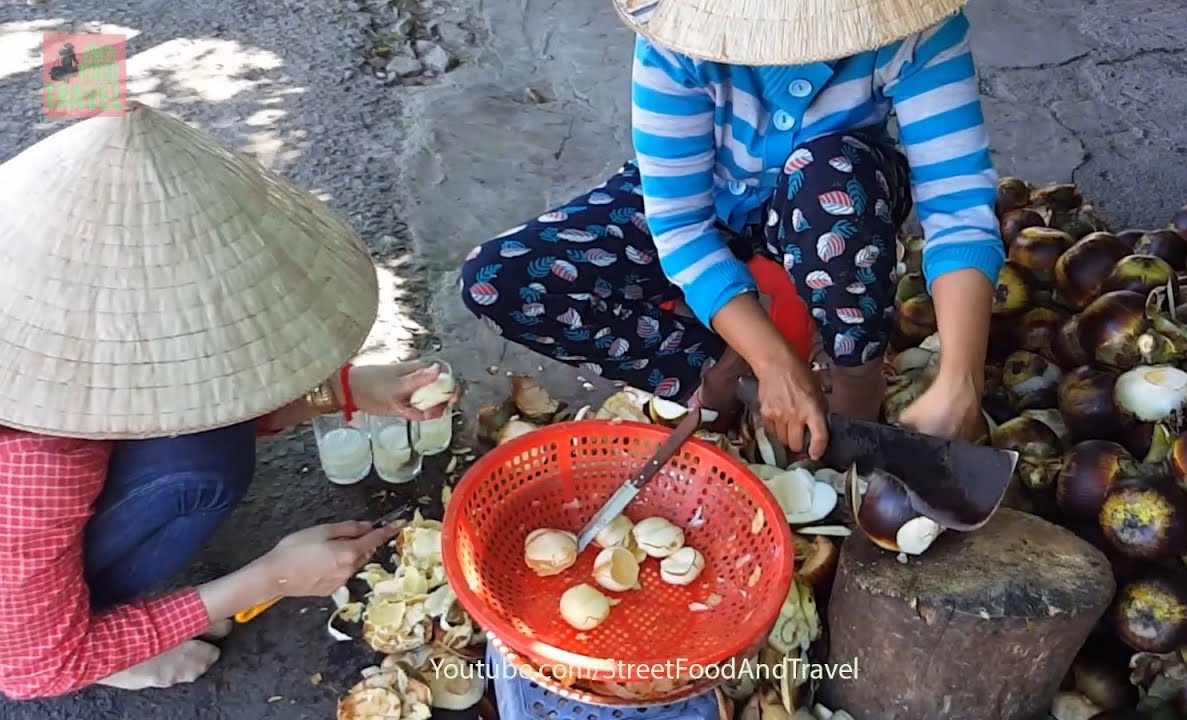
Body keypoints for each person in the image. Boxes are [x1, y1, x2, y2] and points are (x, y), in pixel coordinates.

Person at [0, 102, 455, 699]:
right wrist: (272, 577)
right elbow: (32, 670)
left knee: (206, 450)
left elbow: (179, 387)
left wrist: (344, 391)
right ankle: (105, 640)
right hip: (22, 639)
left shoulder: (48, 344)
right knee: (202, 472)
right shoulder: (36, 466)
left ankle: (95, 622)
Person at [461, 0, 1003, 459]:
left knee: (828, 176)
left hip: (833, 204)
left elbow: (957, 209)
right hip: (709, 195)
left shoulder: (912, 29)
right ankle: (727, 377)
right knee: (499, 278)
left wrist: (961, 378)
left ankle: (856, 389)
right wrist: (772, 363)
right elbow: (680, 225)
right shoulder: (680, 38)